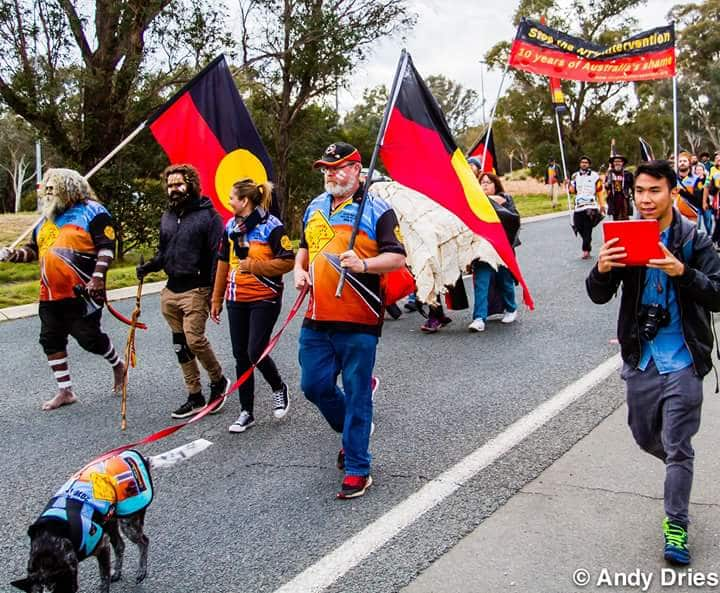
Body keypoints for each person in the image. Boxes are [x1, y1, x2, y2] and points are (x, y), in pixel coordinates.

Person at [587, 160, 720, 566]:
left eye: (655, 191)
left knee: (678, 446)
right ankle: (679, 466)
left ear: (672, 193)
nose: (646, 199)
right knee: (645, 436)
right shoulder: (626, 236)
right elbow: (597, 294)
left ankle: (675, 524)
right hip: (641, 358)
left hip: (682, 358)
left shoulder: (695, 241)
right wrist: (603, 269)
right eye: (640, 191)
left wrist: (682, 272)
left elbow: (717, 294)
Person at [294, 142, 406, 499]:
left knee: (358, 394)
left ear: (357, 170)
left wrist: (364, 265)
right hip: (317, 316)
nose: (330, 173)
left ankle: (358, 466)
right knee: (314, 386)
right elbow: (304, 250)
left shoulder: (378, 210)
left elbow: (397, 258)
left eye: (338, 167)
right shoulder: (314, 207)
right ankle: (353, 431)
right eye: (326, 167)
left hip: (359, 318)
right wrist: (299, 271)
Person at [0, 168, 124, 410]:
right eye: (46, 188)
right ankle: (65, 391)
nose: (48, 192)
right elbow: (32, 251)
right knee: (50, 339)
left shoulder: (94, 212)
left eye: (53, 188)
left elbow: (106, 248)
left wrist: (98, 278)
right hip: (49, 293)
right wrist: (11, 254)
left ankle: (117, 364)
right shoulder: (46, 218)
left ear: (69, 188)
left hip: (83, 292)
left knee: (89, 338)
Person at [136, 164, 229, 419]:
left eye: (178, 184)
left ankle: (218, 380)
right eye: (170, 185)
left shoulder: (209, 217)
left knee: (194, 339)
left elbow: (217, 257)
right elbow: (164, 251)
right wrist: (149, 267)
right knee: (180, 345)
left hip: (197, 289)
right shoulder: (167, 216)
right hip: (171, 289)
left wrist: (214, 294)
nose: (173, 189)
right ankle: (194, 395)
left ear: (191, 184)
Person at [210, 178, 295, 433]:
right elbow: (223, 262)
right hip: (236, 298)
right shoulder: (230, 227)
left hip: (265, 296)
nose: (229, 202)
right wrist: (216, 298)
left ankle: (278, 387)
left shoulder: (273, 226)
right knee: (240, 355)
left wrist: (255, 266)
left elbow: (288, 261)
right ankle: (246, 411)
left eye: (232, 198)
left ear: (244, 201)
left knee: (255, 349)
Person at [469, 171, 519, 332]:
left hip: (501, 249)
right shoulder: (474, 201)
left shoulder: (504, 198)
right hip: (482, 250)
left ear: (495, 184)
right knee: (481, 283)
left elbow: (512, 219)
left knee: (505, 281)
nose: (485, 184)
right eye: (482, 182)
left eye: (488, 182)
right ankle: (479, 318)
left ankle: (511, 308)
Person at [569, 155, 605, 259]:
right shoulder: (575, 176)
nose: (584, 164)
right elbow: (572, 191)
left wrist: (602, 205)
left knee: (588, 229)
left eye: (586, 162)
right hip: (578, 206)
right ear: (580, 164)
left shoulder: (595, 176)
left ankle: (586, 250)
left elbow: (599, 191)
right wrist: (567, 184)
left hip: (590, 206)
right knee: (578, 226)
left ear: (589, 164)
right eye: (582, 162)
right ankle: (587, 243)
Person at [604, 154, 634, 221]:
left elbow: (633, 187)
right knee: (615, 217)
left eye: (619, 161)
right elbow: (606, 187)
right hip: (613, 198)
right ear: (613, 163)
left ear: (622, 163)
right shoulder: (610, 174)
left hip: (624, 197)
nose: (617, 163)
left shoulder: (628, 174)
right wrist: (607, 182)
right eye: (615, 161)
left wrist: (635, 198)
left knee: (625, 216)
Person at [675, 151, 699, 222]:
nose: (682, 163)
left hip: (692, 217)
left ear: (689, 163)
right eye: (680, 161)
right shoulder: (672, 179)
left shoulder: (696, 179)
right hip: (676, 217)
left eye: (685, 161)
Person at [692, 163, 712, 234]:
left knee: (708, 223)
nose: (698, 171)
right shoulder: (694, 180)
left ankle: (710, 237)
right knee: (697, 223)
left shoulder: (707, 179)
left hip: (706, 204)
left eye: (700, 170)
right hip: (696, 205)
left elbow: (709, 191)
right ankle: (697, 239)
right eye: (697, 170)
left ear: (703, 171)